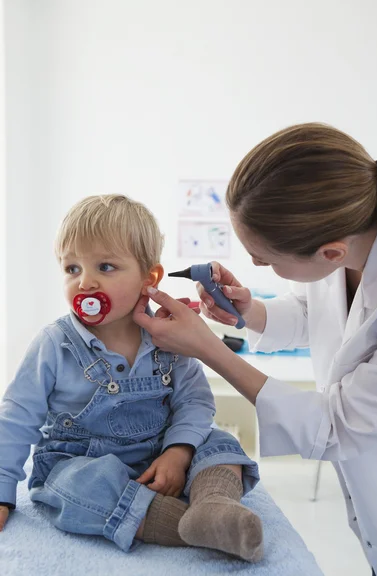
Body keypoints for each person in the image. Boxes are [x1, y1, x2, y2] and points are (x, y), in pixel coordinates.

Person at [133, 123, 377, 576]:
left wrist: (208, 350)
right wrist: (250, 312)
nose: (257, 265)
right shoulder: (349, 249)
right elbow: (319, 313)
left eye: (265, 260)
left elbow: (336, 426)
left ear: (331, 252)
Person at [0, 194, 262, 562]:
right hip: (82, 460)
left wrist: (179, 451)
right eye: (72, 268)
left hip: (159, 450)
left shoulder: (170, 336)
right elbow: (15, 417)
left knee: (220, 444)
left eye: (105, 267)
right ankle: (187, 526)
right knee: (70, 486)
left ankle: (215, 503)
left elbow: (195, 401)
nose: (85, 282)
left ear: (148, 279)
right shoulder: (54, 344)